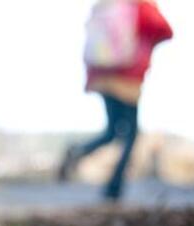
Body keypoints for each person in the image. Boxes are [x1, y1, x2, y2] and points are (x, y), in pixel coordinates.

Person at [58, 0, 172, 200]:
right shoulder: (140, 6)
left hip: (102, 76)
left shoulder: (104, 5)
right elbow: (165, 30)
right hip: (127, 77)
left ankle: (77, 152)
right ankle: (114, 186)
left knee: (112, 131)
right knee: (131, 134)